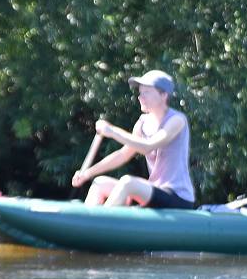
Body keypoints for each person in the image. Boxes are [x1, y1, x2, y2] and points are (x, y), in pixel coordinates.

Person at [71, 70, 195, 209]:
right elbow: (123, 155)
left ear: (163, 95)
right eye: (140, 92)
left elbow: (148, 146)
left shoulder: (177, 120)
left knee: (127, 182)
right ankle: (86, 221)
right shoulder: (142, 122)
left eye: (146, 92)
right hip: (153, 191)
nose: (140, 97)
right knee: (100, 183)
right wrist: (87, 174)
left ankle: (100, 222)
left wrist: (111, 131)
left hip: (178, 197)